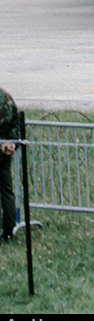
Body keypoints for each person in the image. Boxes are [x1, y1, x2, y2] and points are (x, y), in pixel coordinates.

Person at [0, 88, 17, 241]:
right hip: (4, 151)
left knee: (6, 189)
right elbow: (15, 124)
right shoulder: (6, 97)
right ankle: (8, 230)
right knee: (6, 189)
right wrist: (11, 143)